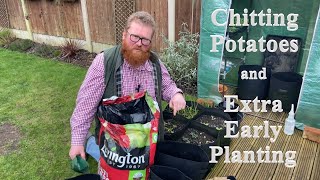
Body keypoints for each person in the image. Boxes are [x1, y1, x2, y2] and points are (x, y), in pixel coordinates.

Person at [69, 11, 186, 163]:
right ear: (124, 35)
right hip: (114, 141)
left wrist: (176, 94)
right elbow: (85, 105)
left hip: (147, 140)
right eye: (135, 36)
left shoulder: (154, 63)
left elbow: (167, 85)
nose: (139, 43)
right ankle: (89, 142)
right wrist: (77, 141)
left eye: (145, 40)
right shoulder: (104, 62)